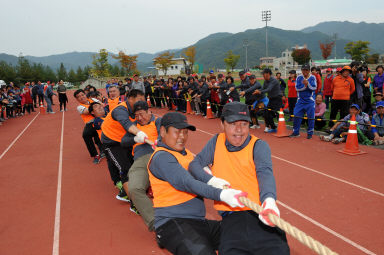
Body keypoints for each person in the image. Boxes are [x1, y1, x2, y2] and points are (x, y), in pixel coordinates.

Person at [189, 102, 290, 255]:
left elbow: (265, 174)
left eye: (244, 124)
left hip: (259, 213)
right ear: (222, 124)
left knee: (279, 250)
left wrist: (269, 200)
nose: (239, 130)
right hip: (232, 216)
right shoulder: (216, 141)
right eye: (232, 124)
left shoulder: (259, 146)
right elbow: (195, 164)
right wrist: (212, 181)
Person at [148, 112, 244, 255]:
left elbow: (197, 170)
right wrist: (221, 194)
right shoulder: (162, 157)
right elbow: (187, 183)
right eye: (177, 132)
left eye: (185, 132)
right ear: (163, 131)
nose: (182, 137)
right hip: (173, 223)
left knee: (246, 237)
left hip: (198, 223)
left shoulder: (184, 153)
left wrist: (212, 180)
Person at [120, 101, 161, 230]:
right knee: (134, 189)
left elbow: (165, 134)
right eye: (136, 115)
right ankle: (157, 224)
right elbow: (123, 142)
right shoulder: (134, 126)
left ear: (149, 111)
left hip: (159, 157)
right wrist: (135, 139)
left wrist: (158, 141)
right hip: (140, 161)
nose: (140, 118)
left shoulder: (158, 121)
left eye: (142, 114)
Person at [101, 89, 146, 201]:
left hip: (124, 140)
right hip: (111, 142)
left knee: (133, 164)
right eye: (139, 100)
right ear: (130, 99)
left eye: (143, 100)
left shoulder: (137, 110)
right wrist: (139, 133)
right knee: (125, 168)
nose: (142, 102)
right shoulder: (120, 109)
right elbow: (126, 123)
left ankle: (123, 189)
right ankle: (134, 202)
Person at [74, 89, 104, 164]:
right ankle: (95, 155)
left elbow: (102, 105)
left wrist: (98, 105)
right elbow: (87, 111)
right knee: (86, 135)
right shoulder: (79, 107)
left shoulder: (92, 99)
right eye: (79, 97)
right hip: (90, 123)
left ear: (85, 94)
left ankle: (103, 150)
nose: (81, 97)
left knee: (97, 135)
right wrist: (97, 105)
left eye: (82, 95)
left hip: (101, 119)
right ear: (77, 99)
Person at [290, 64, 317, 139]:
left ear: (309, 70)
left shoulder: (312, 77)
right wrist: (305, 86)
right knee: (296, 115)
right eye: (303, 70)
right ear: (301, 70)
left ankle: (310, 133)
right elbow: (297, 88)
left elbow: (314, 88)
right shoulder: (299, 77)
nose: (305, 71)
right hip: (300, 101)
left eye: (306, 70)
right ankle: (296, 132)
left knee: (311, 117)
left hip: (310, 101)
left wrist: (307, 84)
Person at [254, 68, 282, 133]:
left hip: (277, 99)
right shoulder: (265, 81)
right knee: (267, 113)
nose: (263, 76)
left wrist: (260, 92)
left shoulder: (273, 81)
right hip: (271, 99)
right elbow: (263, 89)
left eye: (263, 74)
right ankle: (273, 128)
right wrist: (257, 91)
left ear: (268, 74)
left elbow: (269, 89)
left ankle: (281, 129)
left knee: (279, 114)